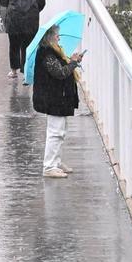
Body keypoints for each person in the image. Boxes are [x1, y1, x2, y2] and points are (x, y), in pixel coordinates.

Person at [32, 25, 84, 177]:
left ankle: (56, 161)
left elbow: (62, 69)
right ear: (49, 37)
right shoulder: (47, 54)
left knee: (60, 131)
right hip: (52, 98)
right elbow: (60, 73)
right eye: (56, 35)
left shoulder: (55, 52)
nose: (59, 38)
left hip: (58, 98)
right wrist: (73, 63)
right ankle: (49, 166)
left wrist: (73, 60)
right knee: (55, 132)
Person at [0, 0, 46, 78]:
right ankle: (26, 71)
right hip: (31, 22)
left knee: (14, 46)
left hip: (14, 21)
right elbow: (42, 3)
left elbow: (2, 1)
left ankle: (14, 70)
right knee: (28, 46)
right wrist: (33, 11)